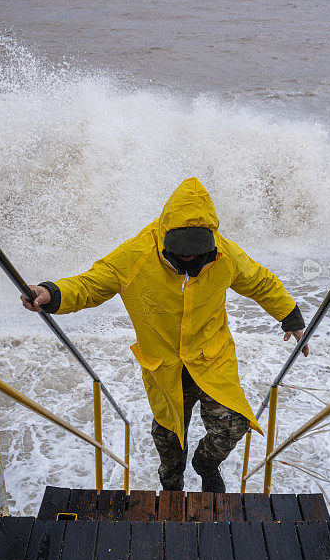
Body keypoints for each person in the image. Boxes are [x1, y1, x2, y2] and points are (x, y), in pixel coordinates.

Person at [21, 177, 308, 492]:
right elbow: (92, 283)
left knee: (233, 426)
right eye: (180, 250)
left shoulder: (224, 253)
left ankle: (206, 465)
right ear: (164, 235)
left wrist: (290, 317)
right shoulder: (137, 253)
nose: (187, 256)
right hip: (165, 367)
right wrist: (51, 292)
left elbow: (260, 281)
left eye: (194, 250)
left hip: (211, 359)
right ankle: (172, 489)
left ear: (210, 238)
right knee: (169, 442)